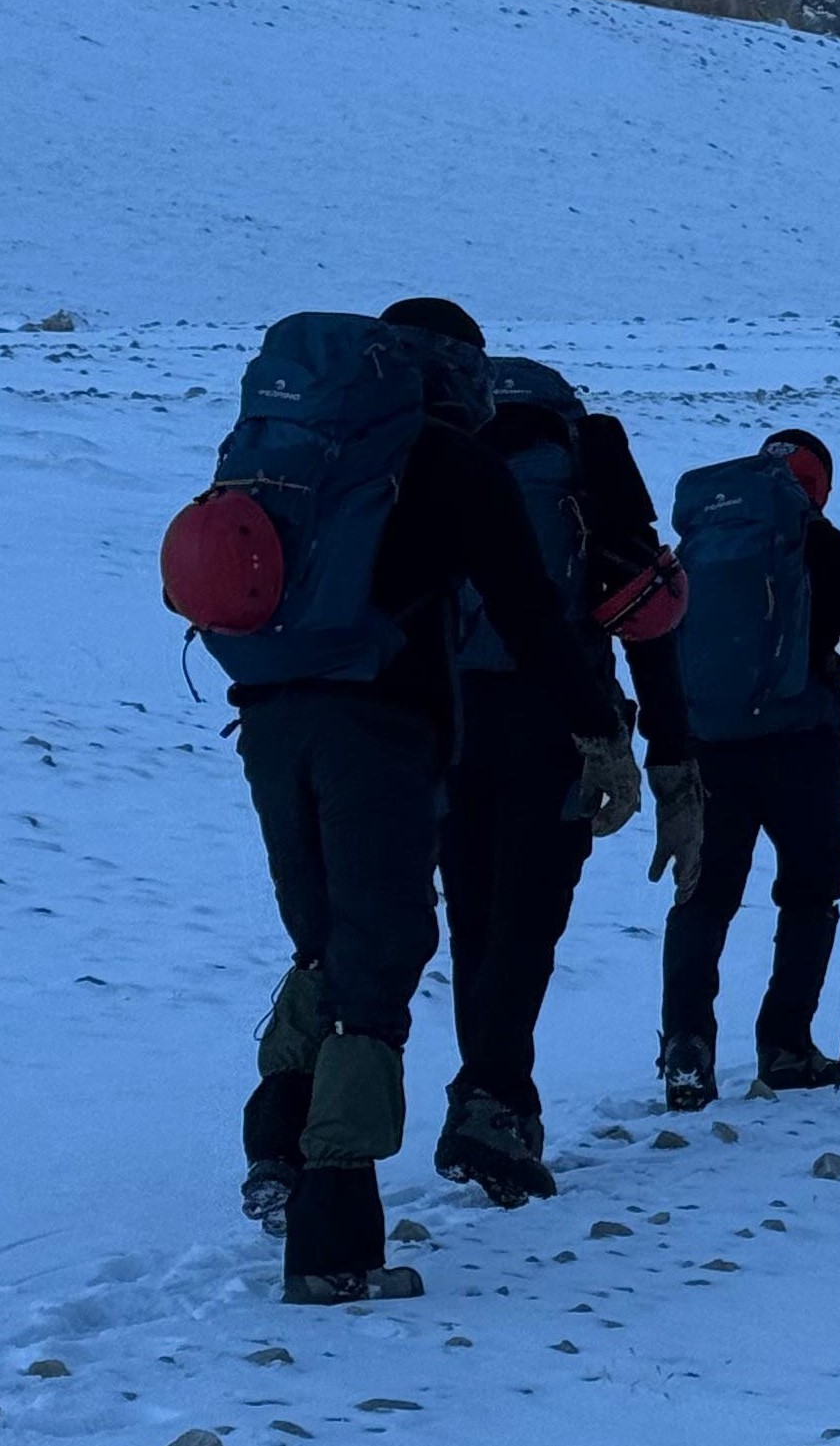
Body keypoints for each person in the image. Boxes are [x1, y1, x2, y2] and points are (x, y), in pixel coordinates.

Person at [196, 299, 638, 1305]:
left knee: (320, 938)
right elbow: (528, 612)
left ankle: (277, 1150)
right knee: (379, 960)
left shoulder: (296, 446)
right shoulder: (451, 462)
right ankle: (336, 1245)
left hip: (267, 712)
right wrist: (600, 732)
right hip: (381, 730)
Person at [433, 359, 698, 1207]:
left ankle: (499, 1100)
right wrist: (666, 758)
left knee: (473, 914)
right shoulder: (587, 458)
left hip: (439, 712)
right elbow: (643, 610)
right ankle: (492, 1102)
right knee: (527, 917)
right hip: (559, 714)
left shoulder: (438, 450)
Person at [657, 429, 840, 1112]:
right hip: (800, 748)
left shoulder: (703, 552)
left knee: (703, 893)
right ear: (820, 488)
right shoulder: (832, 551)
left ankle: (688, 1044)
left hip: (709, 745)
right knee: (809, 892)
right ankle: (785, 1045)